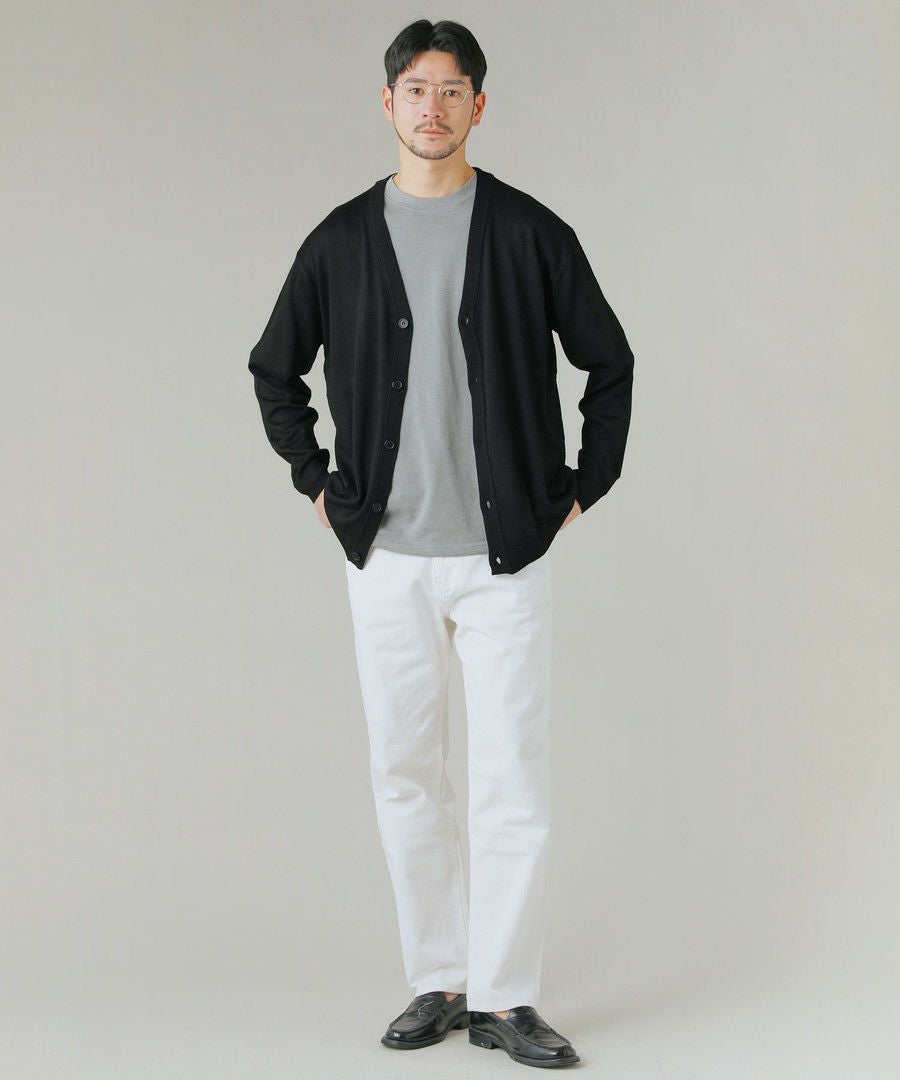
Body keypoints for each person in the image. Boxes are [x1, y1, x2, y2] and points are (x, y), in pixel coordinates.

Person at [248, 17, 634, 1070]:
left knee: (513, 779)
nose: (433, 107)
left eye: (452, 90)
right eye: (415, 89)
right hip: (387, 558)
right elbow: (274, 370)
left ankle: (505, 998)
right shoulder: (340, 240)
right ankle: (441, 977)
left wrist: (583, 488)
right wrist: (318, 484)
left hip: (506, 558)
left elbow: (610, 363)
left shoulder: (529, 232)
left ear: (479, 105)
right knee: (405, 771)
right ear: (388, 103)